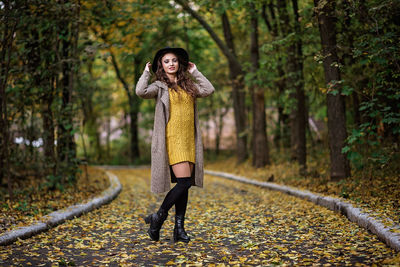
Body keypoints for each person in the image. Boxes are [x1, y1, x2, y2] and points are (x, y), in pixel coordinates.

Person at [135, 47, 215, 243]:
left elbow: (209, 89)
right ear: (161, 66)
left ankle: (179, 229)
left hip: (189, 141)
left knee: (184, 186)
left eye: (174, 61)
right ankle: (158, 217)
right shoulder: (159, 86)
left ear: (180, 64)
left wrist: (195, 71)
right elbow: (140, 91)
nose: (171, 64)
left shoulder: (189, 85)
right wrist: (146, 73)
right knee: (184, 183)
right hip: (172, 140)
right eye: (166, 61)